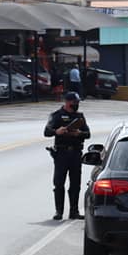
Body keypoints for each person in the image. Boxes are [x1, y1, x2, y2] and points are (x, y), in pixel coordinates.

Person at [44, 92, 91, 220]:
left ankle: (74, 211)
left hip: (76, 153)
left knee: (75, 183)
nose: (77, 105)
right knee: (59, 183)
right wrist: (57, 131)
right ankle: (59, 211)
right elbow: (46, 132)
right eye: (74, 102)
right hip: (61, 153)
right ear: (67, 102)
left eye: (78, 102)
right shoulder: (56, 115)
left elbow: (88, 134)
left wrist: (79, 133)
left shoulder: (79, 116)